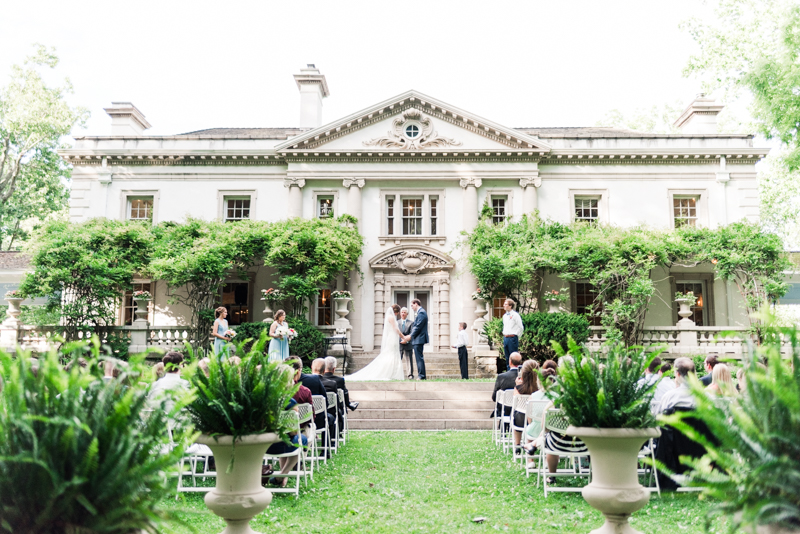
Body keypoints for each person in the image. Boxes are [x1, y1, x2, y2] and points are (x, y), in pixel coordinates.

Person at [264, 364, 308, 489]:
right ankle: (282, 475)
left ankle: (282, 479)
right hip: (282, 445)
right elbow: (294, 432)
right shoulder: (290, 403)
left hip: (263, 445)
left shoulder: (263, 399)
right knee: (301, 439)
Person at [348, 304, 405, 381]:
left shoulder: (390, 317)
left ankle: (393, 373)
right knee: (391, 354)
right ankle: (390, 372)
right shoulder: (391, 317)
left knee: (393, 354)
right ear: (396, 311)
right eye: (397, 313)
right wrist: (403, 337)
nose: (397, 314)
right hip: (392, 338)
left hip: (393, 337)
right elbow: (395, 329)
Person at [512, 360, 543, 452]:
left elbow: (515, 405)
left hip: (521, 420)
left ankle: (517, 444)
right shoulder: (540, 389)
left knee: (517, 413)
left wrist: (517, 386)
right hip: (538, 421)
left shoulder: (519, 388)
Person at [403, 299, 429, 380]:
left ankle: (421, 376)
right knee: (418, 358)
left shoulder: (421, 313)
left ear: (416, 304)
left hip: (419, 338)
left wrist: (410, 336)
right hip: (418, 339)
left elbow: (418, 326)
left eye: (412, 305)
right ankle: (421, 375)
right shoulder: (420, 312)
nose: (411, 307)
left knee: (419, 358)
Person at [491, 352, 522, 417]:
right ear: (520, 362)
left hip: (504, 411)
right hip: (520, 410)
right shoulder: (525, 378)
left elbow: (494, 397)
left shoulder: (501, 377)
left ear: (510, 362)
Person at [501, 299, 523, 365]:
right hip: (506, 338)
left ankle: (514, 372)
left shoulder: (515, 315)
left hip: (512, 338)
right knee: (507, 358)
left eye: (505, 304)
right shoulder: (504, 316)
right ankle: (509, 372)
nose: (503, 305)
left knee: (513, 357)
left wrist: (516, 336)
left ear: (510, 306)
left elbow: (520, 327)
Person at [398, 307, 415, 379]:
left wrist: (406, 340)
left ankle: (410, 375)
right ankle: (396, 374)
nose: (403, 313)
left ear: (407, 314)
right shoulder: (396, 322)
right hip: (399, 344)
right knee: (398, 360)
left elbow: (412, 333)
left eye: (404, 312)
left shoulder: (411, 323)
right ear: (400, 313)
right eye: (402, 312)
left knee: (409, 360)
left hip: (408, 344)